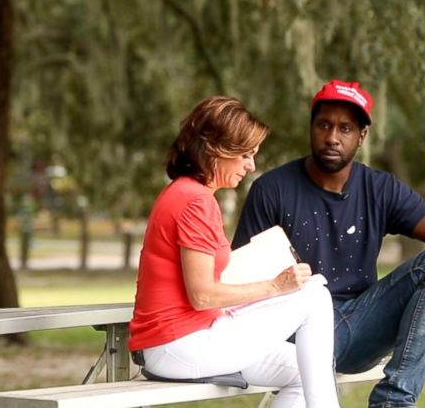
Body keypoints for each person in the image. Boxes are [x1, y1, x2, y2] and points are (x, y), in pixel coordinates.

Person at [233, 79, 425, 408]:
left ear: (361, 136)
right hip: (294, 332)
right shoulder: (272, 190)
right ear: (312, 127)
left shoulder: (379, 188)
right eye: (324, 125)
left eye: (345, 128)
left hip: (359, 326)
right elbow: (242, 280)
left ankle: (393, 401)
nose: (332, 137)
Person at [129, 96, 340, 408]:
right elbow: (201, 295)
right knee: (314, 295)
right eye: (245, 155)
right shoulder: (195, 201)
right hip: (178, 343)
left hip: (185, 339)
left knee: (304, 369)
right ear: (216, 150)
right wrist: (275, 287)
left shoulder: (187, 193)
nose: (251, 165)